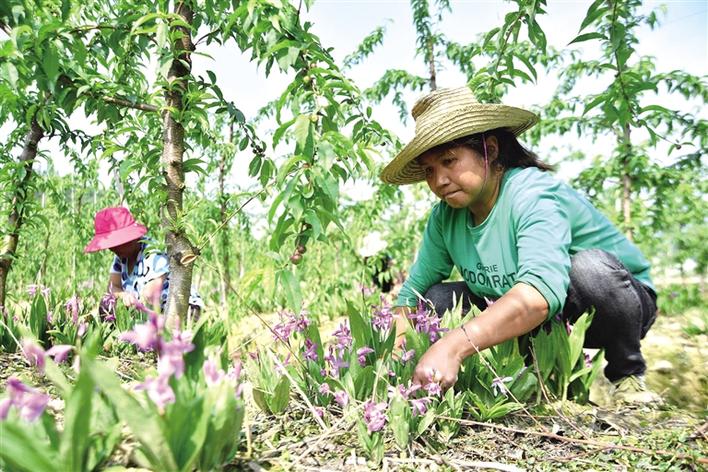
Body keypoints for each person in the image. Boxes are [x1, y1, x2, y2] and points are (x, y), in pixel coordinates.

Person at [381, 86, 660, 405]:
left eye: (449, 161)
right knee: (435, 299)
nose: (439, 180)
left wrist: (453, 346)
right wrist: (390, 360)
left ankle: (628, 377)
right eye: (429, 170)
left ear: (490, 149)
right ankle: (527, 380)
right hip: (532, 312)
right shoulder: (445, 218)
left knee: (589, 269)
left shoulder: (531, 193)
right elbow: (413, 292)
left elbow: (539, 295)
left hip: (608, 302)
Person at [84, 206, 204, 320]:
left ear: (131, 238)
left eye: (116, 245)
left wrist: (135, 303)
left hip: (180, 309)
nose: (112, 249)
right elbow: (112, 288)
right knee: (106, 304)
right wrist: (123, 295)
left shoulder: (152, 252)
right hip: (145, 313)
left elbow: (150, 295)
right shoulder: (121, 257)